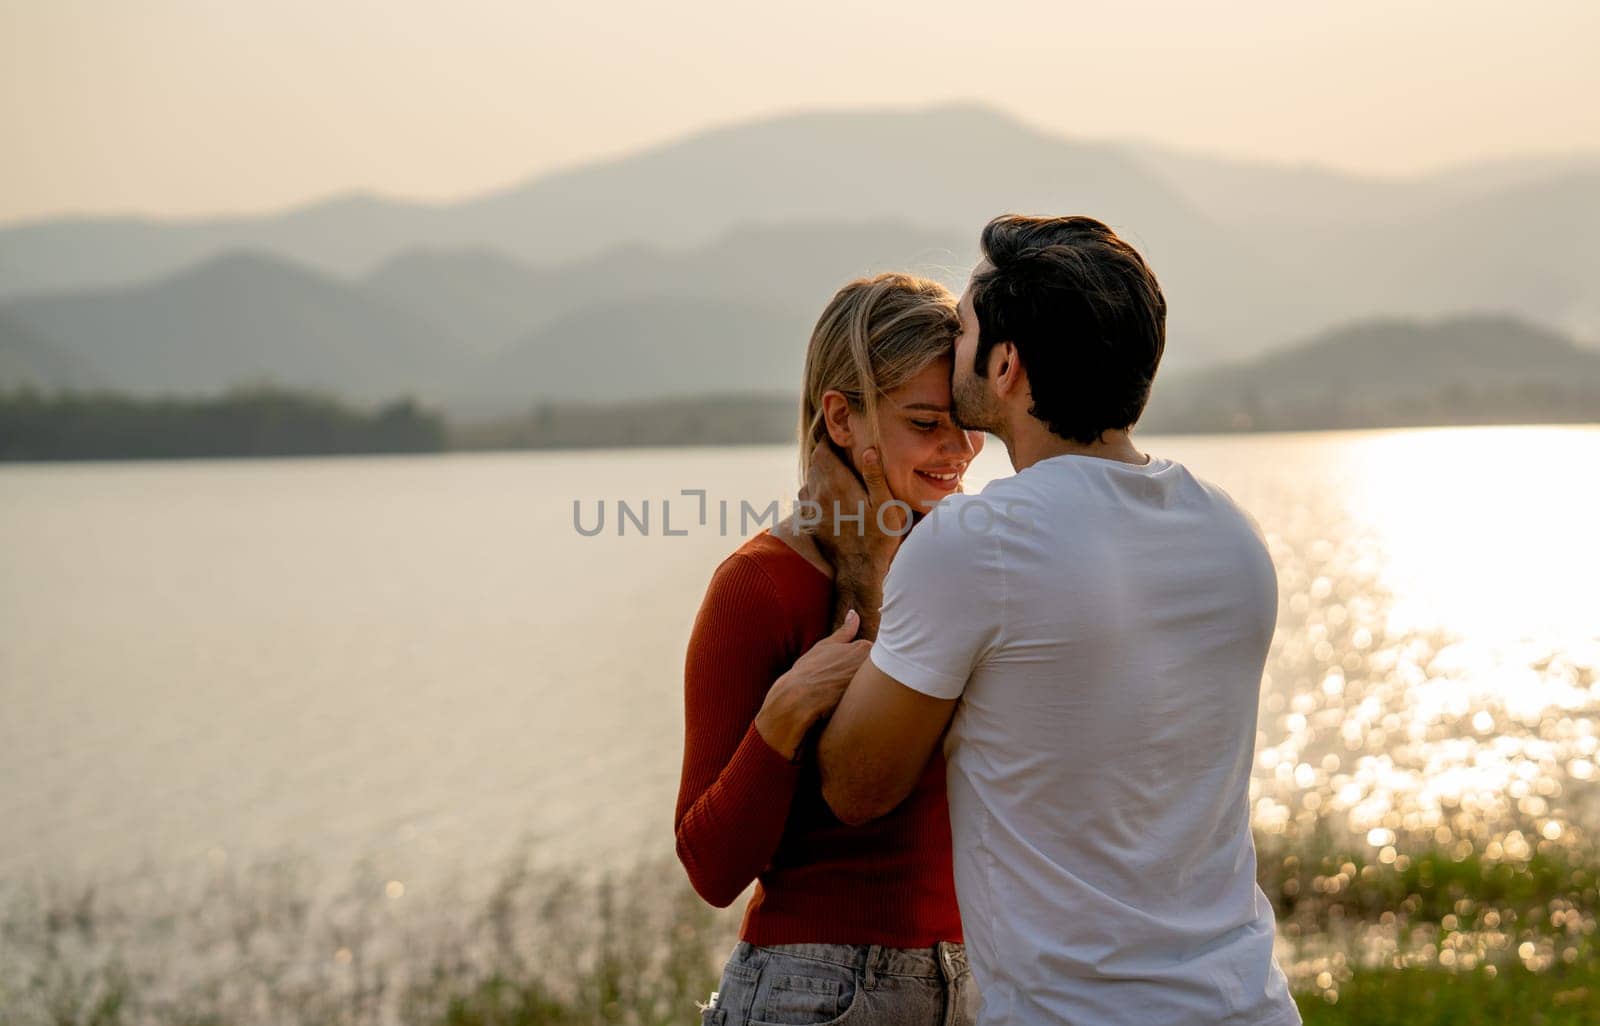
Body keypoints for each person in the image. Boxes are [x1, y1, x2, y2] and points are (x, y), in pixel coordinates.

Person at [810, 216, 1302, 1025]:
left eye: (963, 328)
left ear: (1006, 366)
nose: (952, 340)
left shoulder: (976, 543)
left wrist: (816, 657)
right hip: (1251, 1006)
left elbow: (857, 787)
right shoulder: (1233, 536)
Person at [675, 273, 986, 1026]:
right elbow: (711, 870)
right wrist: (778, 723)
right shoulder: (758, 587)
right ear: (840, 419)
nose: (960, 450)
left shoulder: (970, 563)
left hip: (974, 983)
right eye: (925, 423)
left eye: (969, 423)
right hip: (812, 991)